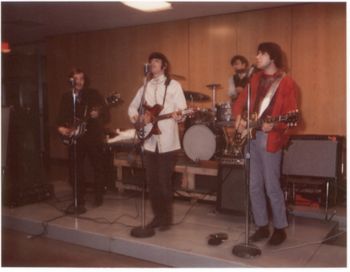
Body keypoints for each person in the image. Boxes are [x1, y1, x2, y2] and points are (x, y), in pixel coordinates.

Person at [233, 42, 298, 245]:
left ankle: (280, 228)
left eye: (261, 53)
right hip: (251, 137)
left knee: (272, 186)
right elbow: (240, 102)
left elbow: (292, 118)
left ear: (272, 57)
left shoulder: (286, 83)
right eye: (257, 53)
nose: (256, 57)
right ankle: (261, 226)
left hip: (270, 140)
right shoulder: (254, 78)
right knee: (253, 185)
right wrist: (238, 118)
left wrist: (276, 127)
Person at [128, 52, 187, 231]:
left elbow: (182, 109)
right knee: (152, 183)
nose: (152, 64)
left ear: (164, 66)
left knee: (163, 182)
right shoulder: (144, 87)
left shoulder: (174, 85)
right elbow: (132, 107)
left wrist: (179, 116)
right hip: (148, 142)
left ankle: (166, 219)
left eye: (156, 61)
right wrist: (138, 118)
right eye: (151, 61)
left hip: (168, 143)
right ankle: (156, 217)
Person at [57, 68, 109, 214]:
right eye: (76, 79)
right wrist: (61, 129)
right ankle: (78, 199)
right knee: (75, 168)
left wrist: (97, 114)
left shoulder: (93, 94)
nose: (79, 82)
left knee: (97, 166)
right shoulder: (66, 97)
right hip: (74, 138)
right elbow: (60, 118)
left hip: (92, 136)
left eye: (81, 79)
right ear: (70, 81)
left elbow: (105, 113)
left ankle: (98, 196)